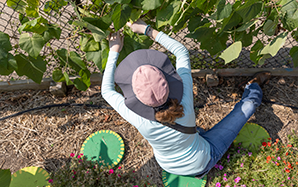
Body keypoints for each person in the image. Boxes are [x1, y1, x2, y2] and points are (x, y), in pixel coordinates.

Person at [101, 19, 271, 177]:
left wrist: (113, 50)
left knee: (195, 132)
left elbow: (106, 91)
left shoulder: (136, 116)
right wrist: (147, 30)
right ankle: (252, 86)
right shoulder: (185, 99)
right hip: (203, 160)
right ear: (166, 81)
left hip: (167, 165)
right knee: (248, 106)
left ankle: (200, 133)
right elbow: (181, 51)